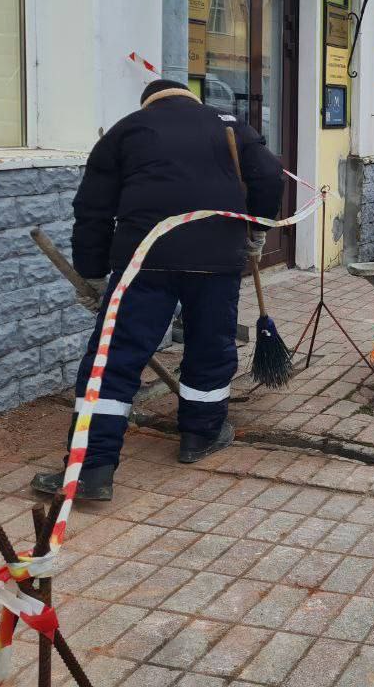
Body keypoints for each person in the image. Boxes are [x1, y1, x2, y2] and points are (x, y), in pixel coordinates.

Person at [31, 79, 284, 501]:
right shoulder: (229, 125)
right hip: (216, 258)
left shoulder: (126, 130)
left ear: (148, 102)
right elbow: (270, 175)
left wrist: (91, 274)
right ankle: (201, 436)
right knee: (210, 344)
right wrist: (256, 226)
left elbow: (92, 210)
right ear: (190, 98)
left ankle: (91, 470)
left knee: (113, 360)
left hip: (143, 263)